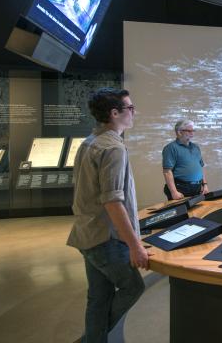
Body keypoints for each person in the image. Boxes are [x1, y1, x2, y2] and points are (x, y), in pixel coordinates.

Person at [67, 88, 150, 342]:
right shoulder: (113, 148)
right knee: (133, 287)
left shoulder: (89, 142)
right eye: (130, 108)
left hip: (86, 234)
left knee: (98, 297)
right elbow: (113, 202)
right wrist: (135, 246)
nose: (134, 113)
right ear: (115, 113)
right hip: (105, 239)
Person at [162, 120, 209, 200]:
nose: (192, 133)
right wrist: (174, 192)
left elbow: (201, 167)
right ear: (179, 132)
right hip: (181, 189)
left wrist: (205, 185)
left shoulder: (195, 147)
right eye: (189, 131)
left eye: (193, 131)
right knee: (184, 212)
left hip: (198, 189)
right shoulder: (171, 148)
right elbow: (167, 172)